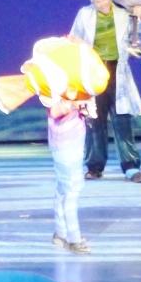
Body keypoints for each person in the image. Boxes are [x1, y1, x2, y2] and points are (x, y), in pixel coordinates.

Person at [70, 0, 141, 183]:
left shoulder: (124, 14)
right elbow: (74, 39)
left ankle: (131, 167)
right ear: (92, 1)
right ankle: (94, 166)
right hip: (94, 72)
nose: (102, 3)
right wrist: (79, 47)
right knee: (94, 121)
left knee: (122, 120)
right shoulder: (84, 15)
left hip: (117, 72)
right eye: (97, 0)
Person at [47, 94, 91, 253]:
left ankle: (61, 234)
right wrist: (75, 104)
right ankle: (74, 239)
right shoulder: (54, 85)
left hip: (72, 140)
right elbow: (55, 111)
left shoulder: (72, 87)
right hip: (65, 143)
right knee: (71, 188)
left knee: (63, 188)